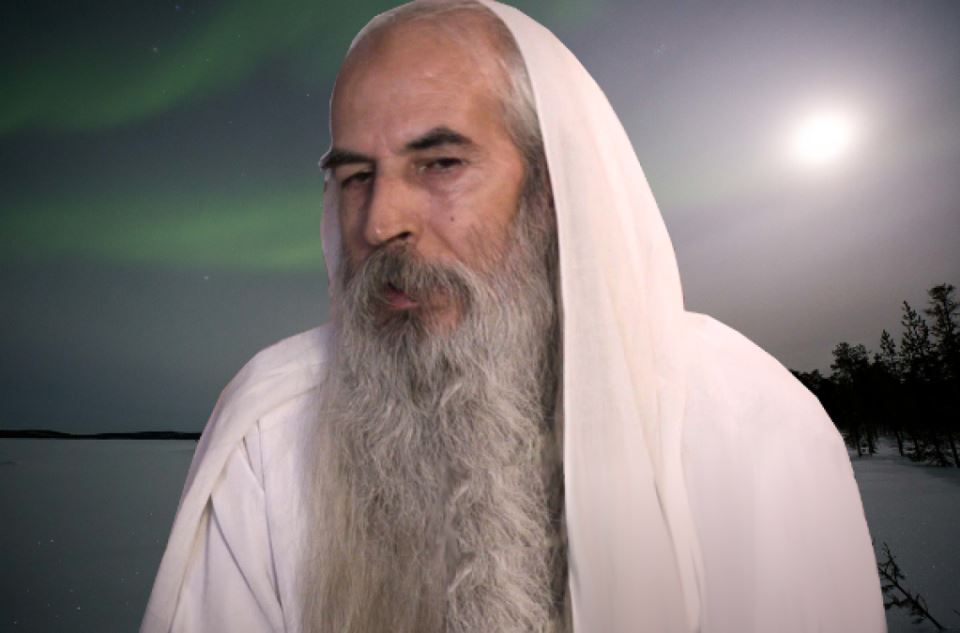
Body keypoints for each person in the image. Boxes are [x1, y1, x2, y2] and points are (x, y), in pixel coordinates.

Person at [141, 1, 885, 632]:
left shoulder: (746, 420)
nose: (379, 221)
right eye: (356, 176)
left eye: (441, 164)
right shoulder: (270, 428)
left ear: (554, 186)